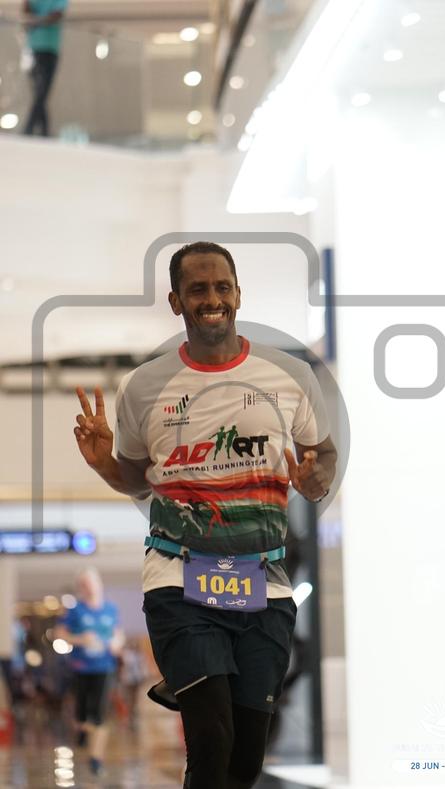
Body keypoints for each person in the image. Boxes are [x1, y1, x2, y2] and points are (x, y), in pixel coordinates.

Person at [73, 241, 337, 788]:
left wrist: (315, 480)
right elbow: (136, 479)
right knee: (212, 741)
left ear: (238, 294)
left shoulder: (288, 375)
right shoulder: (144, 387)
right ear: (177, 301)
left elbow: (322, 456)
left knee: (245, 758)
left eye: (222, 287)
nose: (212, 299)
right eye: (197, 289)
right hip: (179, 578)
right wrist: (105, 465)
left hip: (265, 583)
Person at [55, 568, 123, 776]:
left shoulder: (110, 609)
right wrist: (79, 639)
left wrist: (116, 644)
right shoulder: (76, 610)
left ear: (99, 584)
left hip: (105, 667)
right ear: (80, 588)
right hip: (81, 668)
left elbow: (117, 633)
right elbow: (59, 634)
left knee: (99, 714)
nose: (89, 587)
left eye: (91, 582)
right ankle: (83, 730)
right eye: (84, 584)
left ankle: (96, 759)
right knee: (82, 715)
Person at [22, 0, 68, 136]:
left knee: (42, 92)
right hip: (32, 48)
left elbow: (57, 15)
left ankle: (31, 129)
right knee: (38, 92)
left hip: (50, 49)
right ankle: (42, 131)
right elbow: (26, 14)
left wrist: (37, 22)